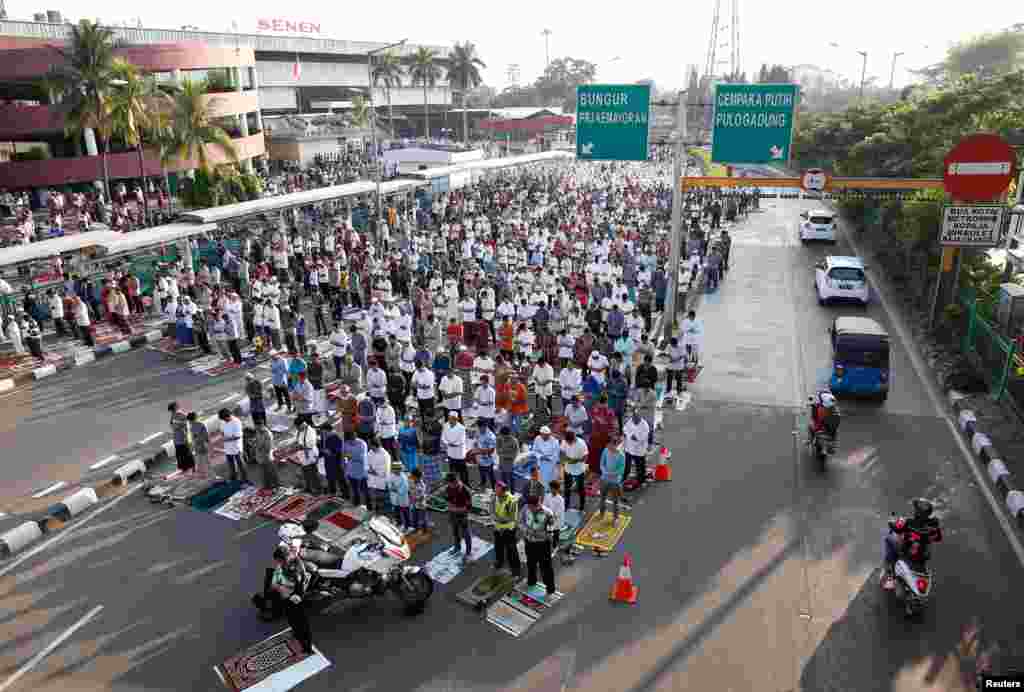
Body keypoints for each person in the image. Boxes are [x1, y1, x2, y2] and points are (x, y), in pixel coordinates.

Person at [882, 498, 943, 588]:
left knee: (889, 539)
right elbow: (938, 538)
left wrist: (891, 521)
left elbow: (896, 528)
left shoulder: (909, 522)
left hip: (907, 552)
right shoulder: (933, 525)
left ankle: (890, 575)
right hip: (923, 556)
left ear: (917, 512)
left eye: (915, 509)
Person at [270, 546, 314, 655]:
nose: (277, 562)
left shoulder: (294, 569)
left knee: (302, 623)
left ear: (283, 558)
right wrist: (278, 586)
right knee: (291, 618)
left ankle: (307, 647)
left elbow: (299, 585)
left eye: (278, 560)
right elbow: (275, 581)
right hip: (286, 598)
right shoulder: (282, 565)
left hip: (295, 599)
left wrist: (293, 595)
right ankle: (296, 634)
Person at [519, 493, 557, 597]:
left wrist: (539, 535)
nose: (532, 509)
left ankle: (550, 588)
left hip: (542, 544)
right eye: (530, 507)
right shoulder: (525, 509)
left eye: (535, 506)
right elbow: (520, 522)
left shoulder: (548, 513)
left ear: (538, 503)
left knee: (546, 567)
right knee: (530, 563)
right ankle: (531, 580)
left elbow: (550, 532)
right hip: (529, 542)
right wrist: (527, 531)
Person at [491, 481, 521, 576]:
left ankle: (516, 570)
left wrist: (499, 519)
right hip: (498, 528)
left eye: (497, 490)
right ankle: (499, 562)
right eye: (495, 489)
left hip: (508, 530)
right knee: (498, 547)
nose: (495, 491)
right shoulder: (495, 497)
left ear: (503, 491)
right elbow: (491, 509)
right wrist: (494, 517)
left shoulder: (511, 501)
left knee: (511, 550)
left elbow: (512, 518)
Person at [599, 434, 626, 525]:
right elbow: (602, 463)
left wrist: (610, 473)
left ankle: (616, 518)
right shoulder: (605, 450)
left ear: (614, 445)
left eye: (609, 445)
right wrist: (604, 471)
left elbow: (621, 470)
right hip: (604, 479)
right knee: (602, 498)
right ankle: (602, 513)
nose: (607, 447)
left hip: (615, 481)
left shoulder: (621, 455)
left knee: (615, 501)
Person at [446, 472, 473, 560]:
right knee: (455, 532)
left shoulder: (466, 491)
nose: (448, 484)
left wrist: (456, 509)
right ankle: (457, 547)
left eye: (449, 483)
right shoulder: (449, 488)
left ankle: (468, 552)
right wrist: (450, 506)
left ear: (455, 482)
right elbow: (448, 499)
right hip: (453, 514)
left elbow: (469, 507)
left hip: (462, 515)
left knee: (466, 534)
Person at [561, 429, 588, 511]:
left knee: (581, 489)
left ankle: (582, 506)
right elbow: (562, 452)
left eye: (569, 443)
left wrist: (575, 461)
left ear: (574, 439)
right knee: (567, 488)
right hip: (568, 469)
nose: (568, 444)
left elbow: (585, 458)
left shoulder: (582, 444)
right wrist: (564, 459)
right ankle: (566, 505)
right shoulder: (565, 441)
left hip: (579, 470)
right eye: (567, 442)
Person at [623, 409, 651, 488]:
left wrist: (636, 438)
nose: (634, 419)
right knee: (626, 466)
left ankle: (641, 480)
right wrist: (631, 435)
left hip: (639, 450)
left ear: (640, 417)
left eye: (636, 418)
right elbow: (625, 429)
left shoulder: (644, 425)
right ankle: (624, 478)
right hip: (629, 448)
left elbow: (643, 437)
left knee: (640, 466)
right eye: (633, 417)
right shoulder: (630, 421)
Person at [220, 408, 248, 483]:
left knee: (240, 464)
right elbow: (222, 431)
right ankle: (233, 478)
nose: (224, 421)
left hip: (236, 447)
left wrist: (226, 439)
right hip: (227, 447)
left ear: (228, 416)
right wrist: (223, 436)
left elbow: (238, 436)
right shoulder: (222, 422)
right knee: (231, 464)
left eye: (225, 419)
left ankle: (245, 479)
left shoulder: (236, 422)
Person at [366, 437, 392, 513]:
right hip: (372, 481)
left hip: (382, 482)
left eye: (371, 446)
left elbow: (386, 471)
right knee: (375, 499)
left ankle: (385, 514)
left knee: (384, 500)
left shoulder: (385, 455)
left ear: (375, 445)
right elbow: (367, 463)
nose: (370, 447)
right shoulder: (370, 452)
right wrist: (369, 469)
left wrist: (375, 472)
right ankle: (377, 511)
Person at [442, 412, 469, 486]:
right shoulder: (445, 425)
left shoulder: (462, 428)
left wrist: (452, 444)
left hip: (460, 454)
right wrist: (448, 443)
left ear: (457, 419)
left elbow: (461, 440)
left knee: (463, 472)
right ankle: (453, 484)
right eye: (450, 418)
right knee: (452, 471)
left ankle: (466, 485)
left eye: (453, 419)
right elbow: (443, 437)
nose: (451, 420)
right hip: (450, 453)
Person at [343, 431, 369, 507]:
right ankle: (357, 504)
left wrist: (351, 456)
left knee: (364, 490)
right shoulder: (346, 444)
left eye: (352, 440)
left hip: (361, 471)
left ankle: (368, 505)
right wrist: (346, 466)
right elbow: (345, 456)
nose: (351, 442)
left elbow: (362, 458)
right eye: (349, 441)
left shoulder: (362, 444)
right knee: (355, 490)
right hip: (351, 471)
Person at [168, 402, 195, 472]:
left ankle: (191, 466)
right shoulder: (173, 415)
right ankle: (184, 467)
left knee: (185, 452)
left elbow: (185, 424)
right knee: (180, 453)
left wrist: (186, 435)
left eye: (172, 410)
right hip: (177, 437)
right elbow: (172, 425)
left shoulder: (180, 415)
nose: (172, 412)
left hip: (182, 436)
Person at [321, 424, 346, 497]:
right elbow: (322, 446)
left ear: (327, 430)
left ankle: (345, 493)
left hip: (336, 462)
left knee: (340, 478)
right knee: (330, 478)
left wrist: (331, 452)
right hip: (327, 461)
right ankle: (332, 492)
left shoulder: (336, 437)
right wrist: (323, 451)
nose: (323, 433)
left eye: (323, 431)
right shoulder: (324, 436)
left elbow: (340, 450)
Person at [253, 419, 279, 489]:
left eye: (257, 427)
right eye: (256, 427)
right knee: (264, 473)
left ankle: (275, 485)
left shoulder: (267, 434)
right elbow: (257, 441)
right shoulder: (258, 431)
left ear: (261, 425)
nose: (256, 428)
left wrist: (259, 448)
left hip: (266, 456)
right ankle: (267, 485)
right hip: (260, 456)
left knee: (270, 471)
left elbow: (268, 447)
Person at [389, 463, 412, 531]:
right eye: (395, 469)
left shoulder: (403, 477)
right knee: (397, 511)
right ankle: (399, 523)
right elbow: (389, 484)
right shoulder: (391, 476)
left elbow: (405, 487)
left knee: (405, 512)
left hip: (403, 498)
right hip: (395, 498)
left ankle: (408, 525)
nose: (396, 470)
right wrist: (392, 488)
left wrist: (396, 489)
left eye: (398, 469)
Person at [497, 425, 520, 493]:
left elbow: (515, 454)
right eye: (502, 436)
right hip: (502, 463)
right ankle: (504, 492)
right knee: (503, 478)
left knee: (511, 478)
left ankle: (512, 492)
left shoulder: (514, 441)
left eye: (504, 436)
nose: (503, 437)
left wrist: (504, 454)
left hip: (510, 464)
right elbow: (498, 451)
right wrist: (507, 454)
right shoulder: (499, 439)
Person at [476, 421, 497, 491]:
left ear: (485, 426)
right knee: (482, 474)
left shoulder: (491, 436)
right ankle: (483, 484)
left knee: (491, 475)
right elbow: (477, 441)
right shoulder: (478, 432)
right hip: (479, 458)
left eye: (480, 428)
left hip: (488, 460)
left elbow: (491, 450)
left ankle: (494, 488)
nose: (479, 429)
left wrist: (480, 451)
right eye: (479, 428)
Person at [544, 480, 566, 547]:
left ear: (557, 489)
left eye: (552, 488)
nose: (551, 490)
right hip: (548, 519)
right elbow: (544, 506)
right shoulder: (547, 496)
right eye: (551, 488)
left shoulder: (560, 499)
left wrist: (551, 516)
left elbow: (559, 512)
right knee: (547, 534)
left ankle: (555, 546)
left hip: (556, 521)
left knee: (555, 535)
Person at [409, 468, 429, 532]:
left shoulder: (422, 485)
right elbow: (410, 491)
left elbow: (422, 496)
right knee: (415, 518)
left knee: (423, 518)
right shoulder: (412, 482)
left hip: (421, 505)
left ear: (417, 477)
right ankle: (415, 529)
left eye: (413, 477)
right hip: (414, 504)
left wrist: (415, 499)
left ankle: (425, 529)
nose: (412, 478)